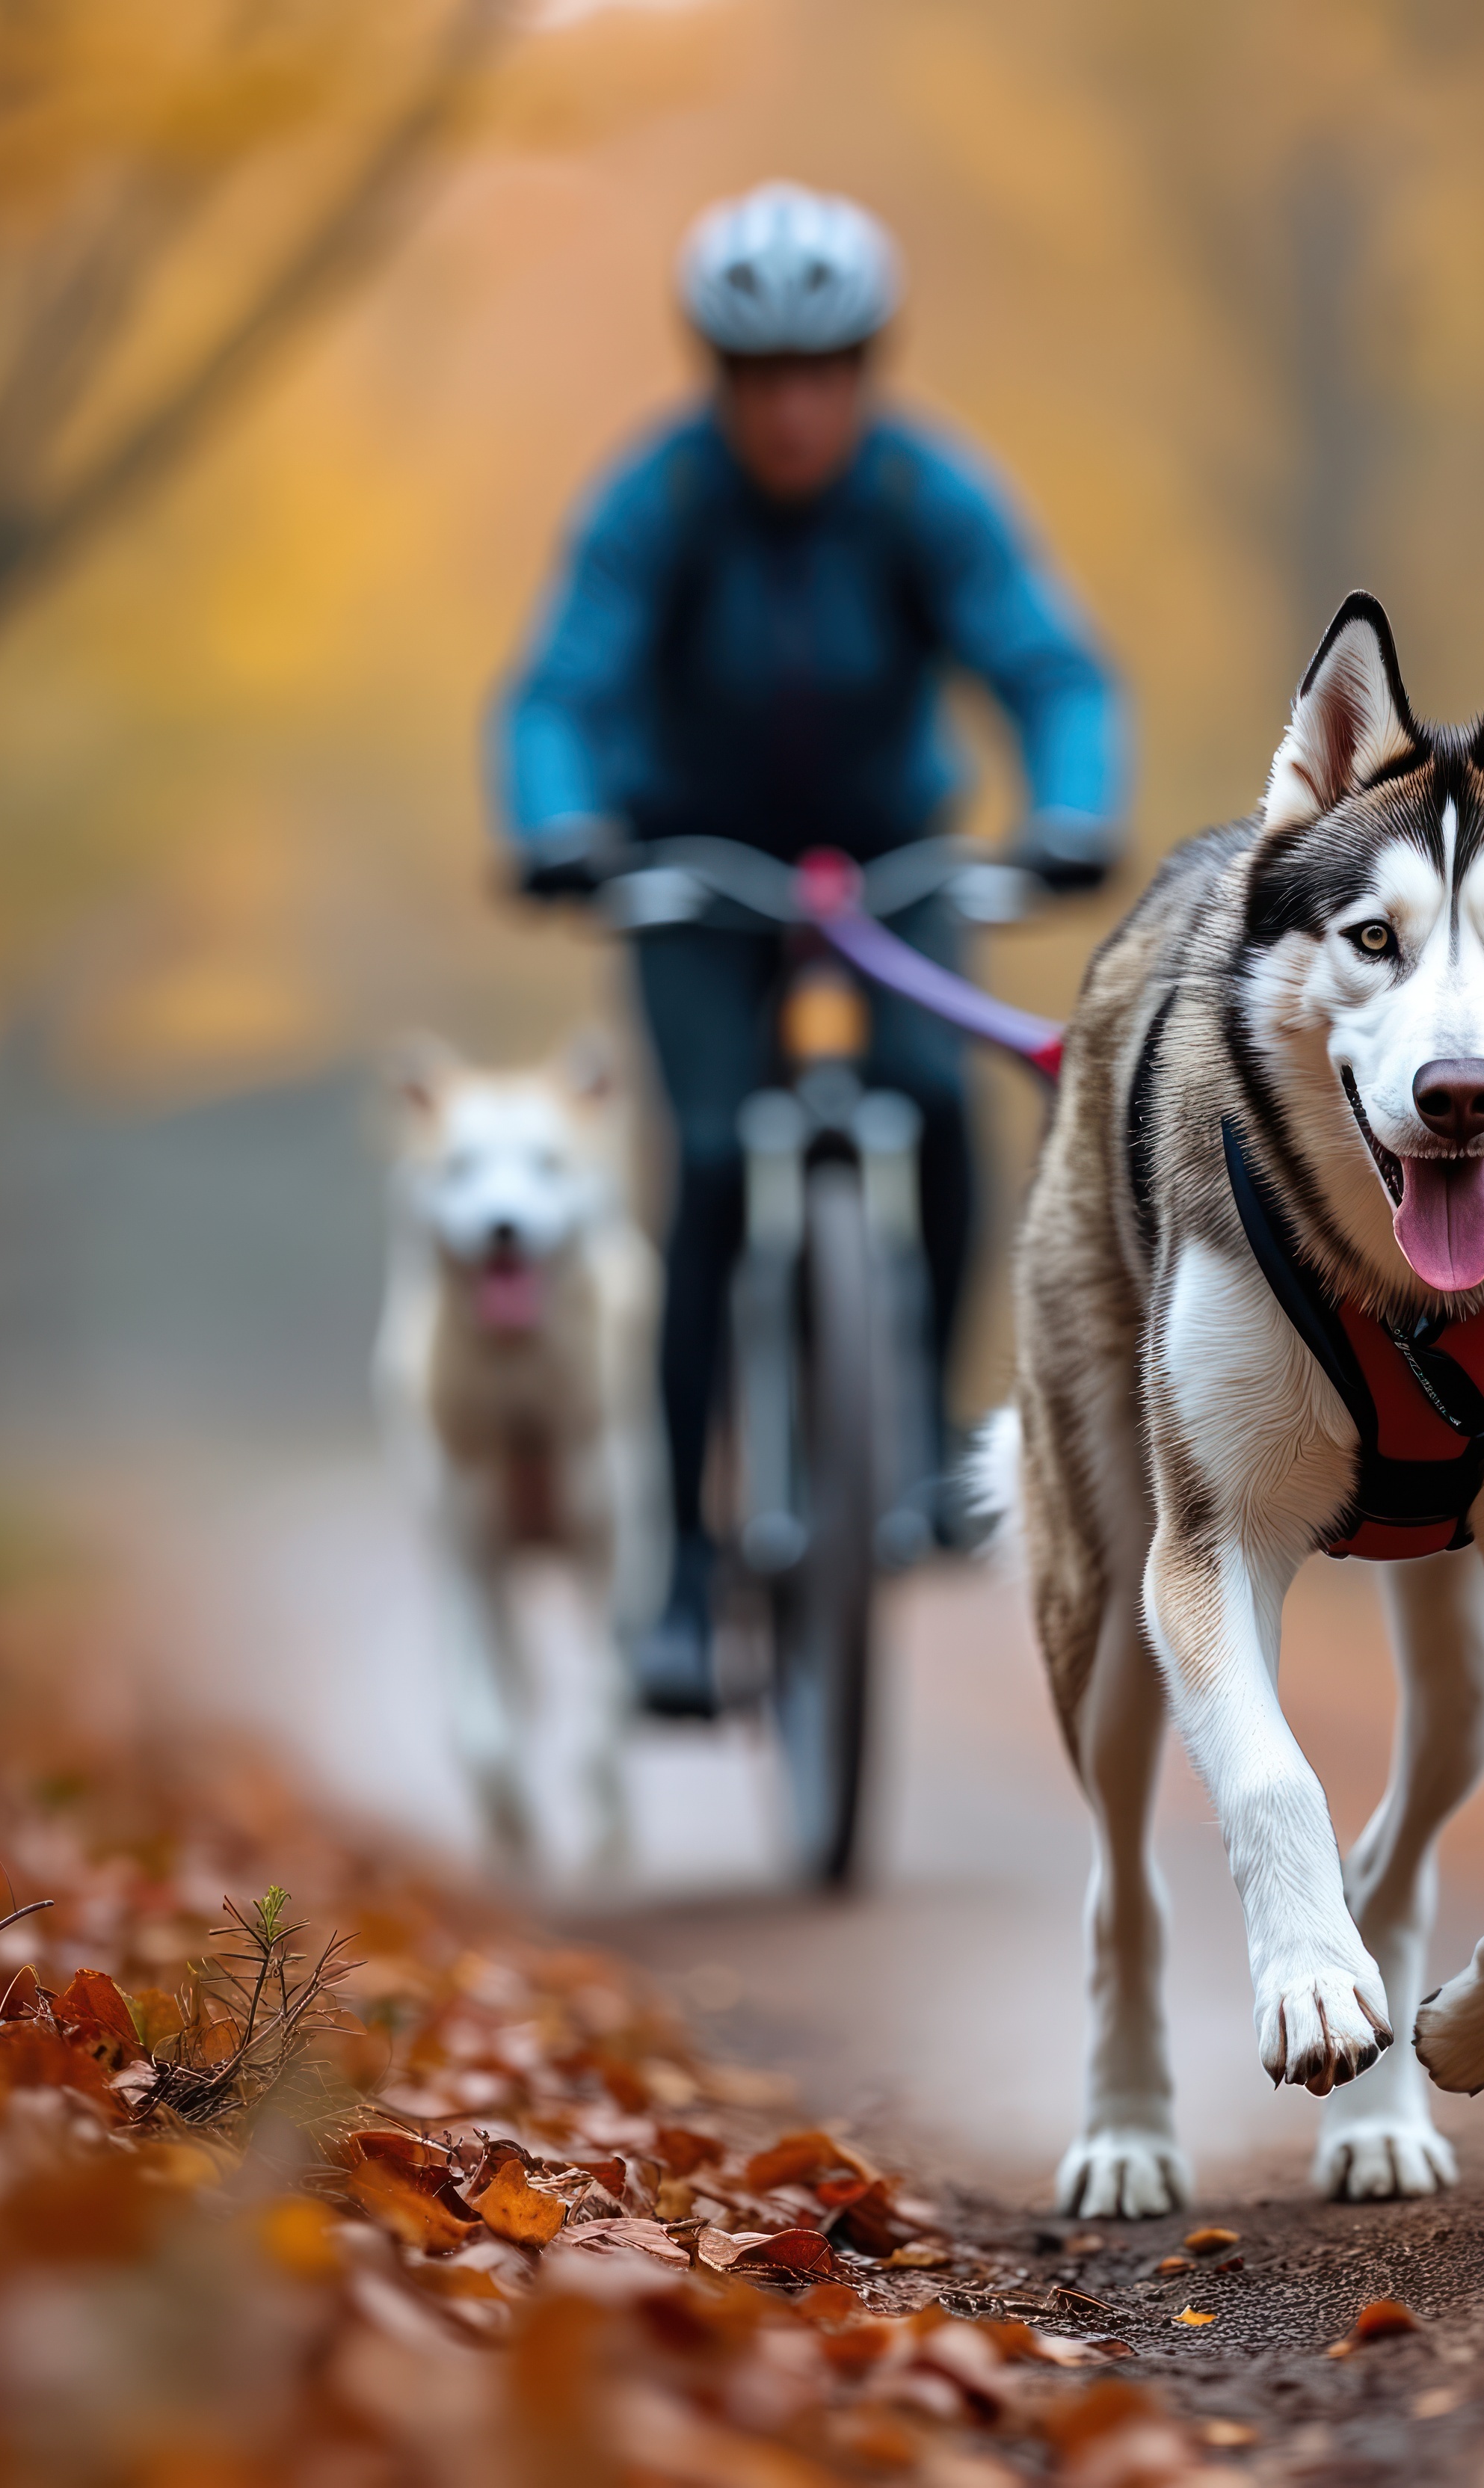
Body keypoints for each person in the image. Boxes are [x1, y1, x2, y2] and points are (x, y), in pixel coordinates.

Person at [495, 182, 1120, 1718]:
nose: (792, 409)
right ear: (718, 380)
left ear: (864, 371)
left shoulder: (923, 497)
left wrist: (1070, 806)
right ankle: (688, 1583)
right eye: (760, 377)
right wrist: (560, 823)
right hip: (690, 873)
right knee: (706, 1167)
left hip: (891, 865)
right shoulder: (658, 502)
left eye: (821, 373)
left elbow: (1049, 664)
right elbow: (557, 688)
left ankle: (915, 1440)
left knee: (941, 1107)